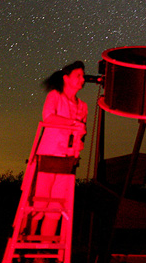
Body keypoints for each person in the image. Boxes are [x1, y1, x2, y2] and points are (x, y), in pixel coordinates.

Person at [31, 61, 88, 238]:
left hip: (67, 160)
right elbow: (48, 117)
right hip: (49, 156)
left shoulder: (83, 106)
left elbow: (82, 133)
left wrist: (80, 141)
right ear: (66, 78)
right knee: (39, 204)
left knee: (55, 208)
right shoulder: (55, 96)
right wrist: (73, 124)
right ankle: (27, 247)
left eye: (82, 76)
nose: (82, 79)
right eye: (78, 75)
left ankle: (42, 252)